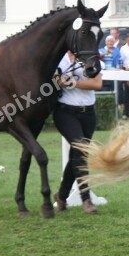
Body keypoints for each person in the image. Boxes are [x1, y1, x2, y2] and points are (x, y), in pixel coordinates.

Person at [53, 49, 103, 215]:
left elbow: (97, 84)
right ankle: (85, 198)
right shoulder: (59, 60)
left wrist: (72, 83)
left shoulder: (91, 60)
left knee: (78, 154)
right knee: (81, 149)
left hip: (88, 113)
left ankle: (61, 195)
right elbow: (54, 81)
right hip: (65, 112)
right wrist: (58, 81)